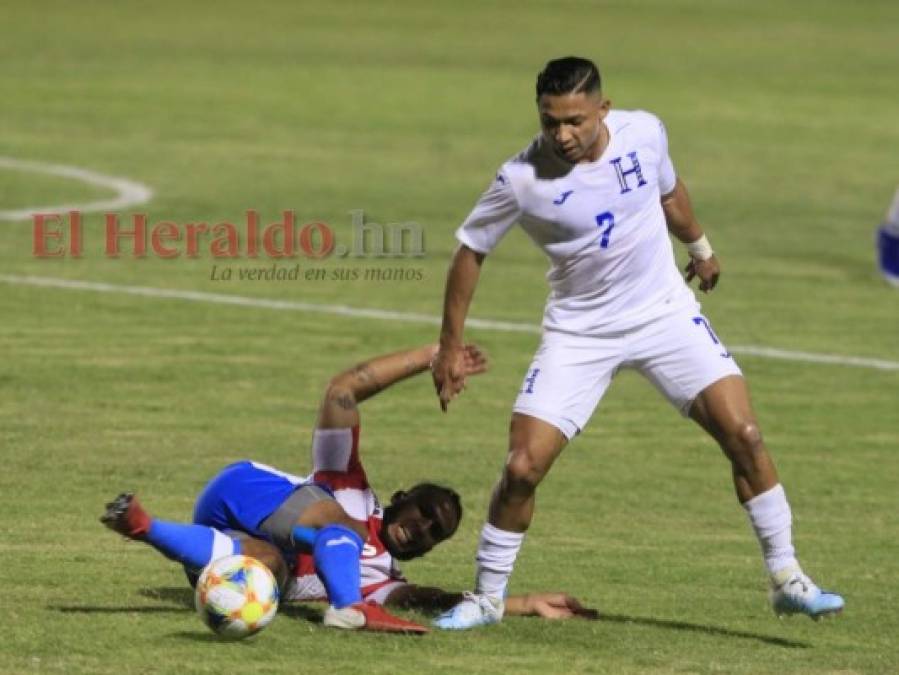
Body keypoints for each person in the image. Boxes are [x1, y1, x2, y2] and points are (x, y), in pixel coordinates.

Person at [430, 56, 844, 630]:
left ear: (604, 108)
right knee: (523, 467)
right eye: (550, 121)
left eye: (575, 120)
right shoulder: (521, 178)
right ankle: (487, 598)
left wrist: (699, 248)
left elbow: (669, 192)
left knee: (744, 433)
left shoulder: (645, 132)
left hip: (662, 315)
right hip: (579, 331)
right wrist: (449, 346)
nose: (562, 135)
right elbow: (469, 252)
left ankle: (786, 577)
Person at [102, 343, 596, 634]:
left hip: (224, 555)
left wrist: (525, 602)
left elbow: (439, 598)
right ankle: (346, 607)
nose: (421, 527)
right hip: (242, 492)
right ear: (399, 498)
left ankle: (145, 527)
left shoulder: (386, 579)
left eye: (434, 531)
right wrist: (434, 354)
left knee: (269, 571)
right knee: (346, 526)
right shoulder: (350, 484)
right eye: (422, 510)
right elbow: (343, 391)